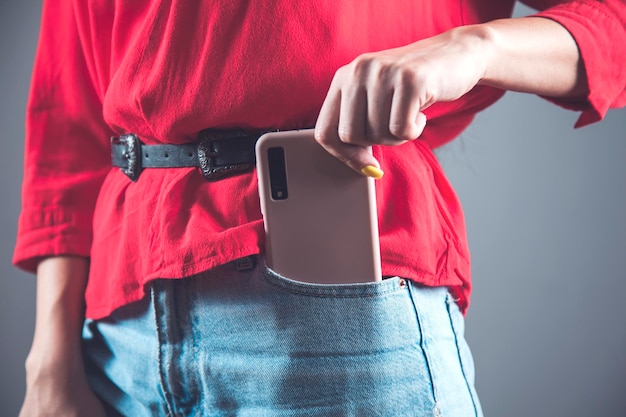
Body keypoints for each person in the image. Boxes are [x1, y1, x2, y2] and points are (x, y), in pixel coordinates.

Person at [15, 0, 625, 416]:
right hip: (118, 339)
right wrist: (50, 361)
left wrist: (475, 46)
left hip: (332, 310)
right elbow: (67, 130)